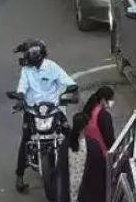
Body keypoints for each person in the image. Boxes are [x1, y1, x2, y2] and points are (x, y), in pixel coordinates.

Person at [13, 39, 75, 193]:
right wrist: (20, 98)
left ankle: (79, 164)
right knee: (25, 140)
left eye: (28, 54)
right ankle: (19, 176)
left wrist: (72, 89)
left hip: (53, 109)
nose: (25, 58)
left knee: (70, 133)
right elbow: (22, 86)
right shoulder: (26, 70)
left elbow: (67, 81)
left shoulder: (52, 67)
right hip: (32, 110)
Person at [71, 86, 116, 202]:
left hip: (85, 154)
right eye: (110, 100)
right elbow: (110, 140)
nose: (112, 103)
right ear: (103, 100)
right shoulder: (104, 116)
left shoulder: (88, 110)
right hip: (101, 157)